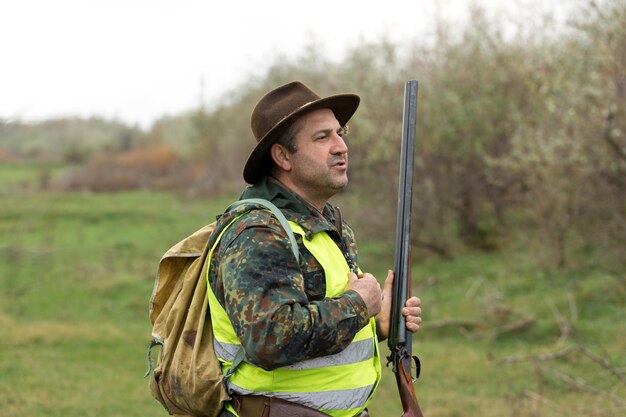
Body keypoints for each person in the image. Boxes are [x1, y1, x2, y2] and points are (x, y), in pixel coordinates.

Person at [206, 81, 422, 417]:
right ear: (282, 156)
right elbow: (270, 339)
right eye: (322, 138)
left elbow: (319, 322)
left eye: (340, 133)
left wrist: (376, 325)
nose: (341, 147)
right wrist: (358, 305)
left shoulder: (324, 222)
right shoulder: (259, 232)